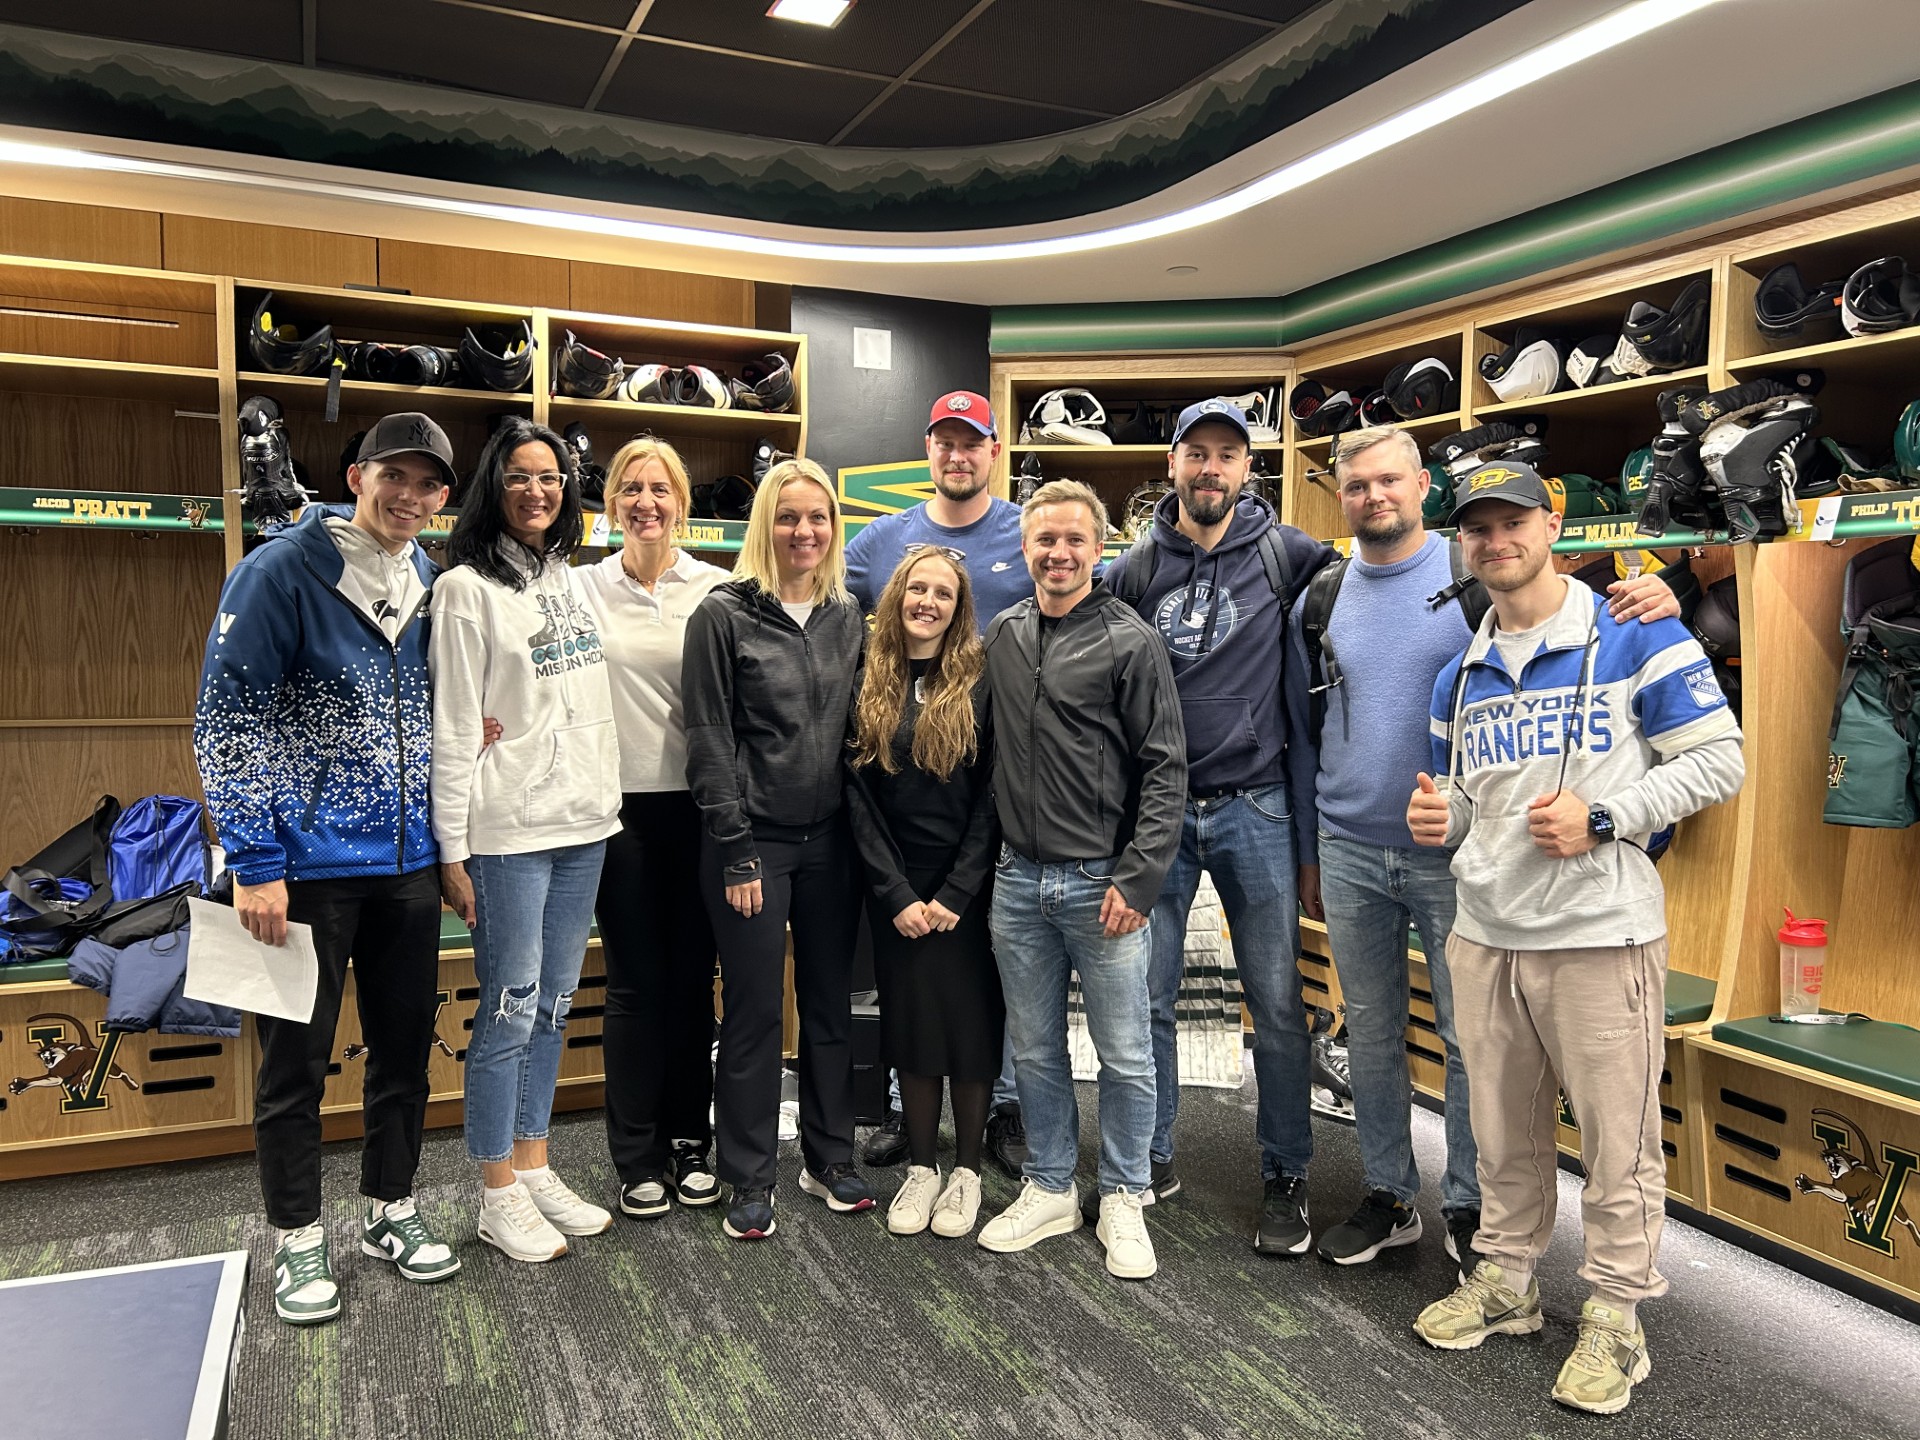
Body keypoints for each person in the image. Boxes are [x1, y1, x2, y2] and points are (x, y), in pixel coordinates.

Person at [1289, 426, 1680, 1273]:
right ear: (1341, 496)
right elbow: (1305, 728)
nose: (1373, 498)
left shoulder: (1474, 576)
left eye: (1388, 481)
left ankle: (1471, 1204)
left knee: (1476, 1043)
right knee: (1372, 1032)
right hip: (1350, 845)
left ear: (1421, 484)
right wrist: (1309, 851)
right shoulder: (1321, 594)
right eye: (1356, 486)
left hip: (1458, 856)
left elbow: (1575, 616)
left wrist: (1653, 597)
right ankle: (1393, 1193)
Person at [1407, 460, 1742, 1415]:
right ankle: (1508, 1283)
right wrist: (1446, 823)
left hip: (1601, 933)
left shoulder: (1635, 634)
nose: (1494, 540)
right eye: (1476, 528)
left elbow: (1722, 760)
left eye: (1512, 521)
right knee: (1501, 1130)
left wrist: (1607, 816)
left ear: (1552, 526)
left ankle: (1616, 1318)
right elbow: (1465, 802)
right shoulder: (1457, 673)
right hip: (1486, 933)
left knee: (1616, 1141)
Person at [195, 412, 461, 1325]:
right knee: (295, 1066)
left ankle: (391, 1209)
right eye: (396, 476)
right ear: (356, 476)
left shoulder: (430, 578)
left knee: (402, 1054)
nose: (411, 498)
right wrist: (256, 861)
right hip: (300, 872)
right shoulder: (280, 570)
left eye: (430, 485)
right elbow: (228, 722)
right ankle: (298, 1238)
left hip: (406, 867)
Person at [1103, 398, 1332, 1250]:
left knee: (1273, 1001)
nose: (1210, 469)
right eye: (1196, 453)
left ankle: (1284, 1173)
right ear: (1172, 464)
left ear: (1247, 468)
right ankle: (1152, 1154)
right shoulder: (1134, 570)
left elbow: (1391, 577)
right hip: (1161, 813)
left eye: (1227, 455)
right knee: (1147, 996)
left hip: (1257, 805)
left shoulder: (1288, 555)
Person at [977, 479, 1187, 1280]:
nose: (1058, 554)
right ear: (1024, 549)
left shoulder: (1130, 641)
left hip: (1103, 884)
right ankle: (1051, 1184)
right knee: (1032, 1049)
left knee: (1126, 1053)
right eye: (1044, 540)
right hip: (1017, 883)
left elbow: (1166, 770)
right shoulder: (1003, 633)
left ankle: (1127, 1193)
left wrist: (1138, 881)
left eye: (1074, 540)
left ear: (1098, 550)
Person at [431, 417, 622, 1263]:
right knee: (508, 1008)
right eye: (519, 477)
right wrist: (451, 848)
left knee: (551, 1004)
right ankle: (494, 1188)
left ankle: (535, 1160)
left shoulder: (571, 580)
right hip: (509, 833)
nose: (537, 491)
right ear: (492, 486)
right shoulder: (466, 589)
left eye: (550, 477)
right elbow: (452, 724)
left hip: (585, 823)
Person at [683, 457, 873, 1240]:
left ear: (834, 529)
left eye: (818, 518)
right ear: (766, 524)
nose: (805, 531)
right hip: (751, 842)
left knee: (830, 1006)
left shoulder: (847, 614)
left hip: (833, 843)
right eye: (789, 517)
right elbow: (707, 739)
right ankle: (749, 1173)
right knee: (758, 1013)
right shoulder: (722, 614)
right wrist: (734, 848)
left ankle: (828, 1155)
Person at [846, 390, 1027, 1178]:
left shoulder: (1030, 531)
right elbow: (823, 605)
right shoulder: (881, 539)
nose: (958, 455)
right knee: (911, 988)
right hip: (900, 798)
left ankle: (1003, 1113)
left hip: (993, 784)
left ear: (993, 451)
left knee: (989, 983)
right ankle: (907, 1117)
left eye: (973, 442)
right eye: (945, 442)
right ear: (929, 449)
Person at [575, 437, 730, 1219]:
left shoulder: (721, 589)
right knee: (636, 984)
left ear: (682, 504)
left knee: (693, 982)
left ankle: (689, 1139)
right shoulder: (578, 590)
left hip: (702, 810)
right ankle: (635, 1154)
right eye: (631, 489)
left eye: (661, 489)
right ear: (611, 503)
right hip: (618, 810)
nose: (647, 502)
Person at [846, 547, 1001, 1239]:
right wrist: (895, 892)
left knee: (967, 1025)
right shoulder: (870, 677)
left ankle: (966, 1170)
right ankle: (922, 1168)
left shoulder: (980, 678)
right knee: (910, 1025)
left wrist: (959, 890)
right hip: (898, 891)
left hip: (965, 887)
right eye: (917, 589)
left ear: (958, 605)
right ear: (896, 597)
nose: (927, 602)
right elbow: (856, 795)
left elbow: (995, 792)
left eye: (942, 592)